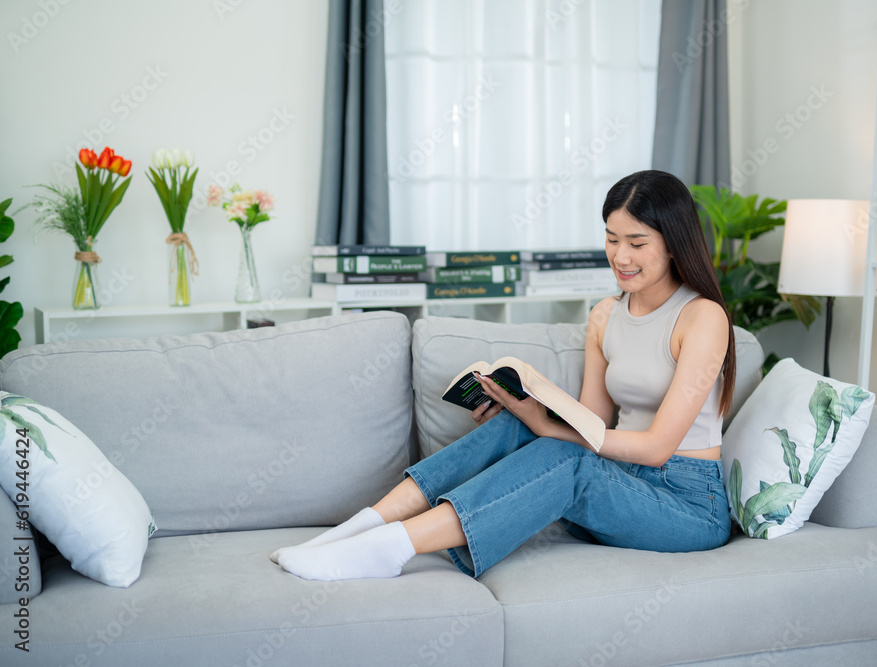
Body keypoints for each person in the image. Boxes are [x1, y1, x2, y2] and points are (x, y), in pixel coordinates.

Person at [271, 169, 737, 581]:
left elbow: (656, 449)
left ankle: (389, 549)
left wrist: (547, 427)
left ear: (674, 244)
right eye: (612, 239)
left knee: (564, 454)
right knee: (521, 424)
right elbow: (591, 419)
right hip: (615, 485)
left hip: (686, 504)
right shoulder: (605, 315)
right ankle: (362, 526)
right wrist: (529, 410)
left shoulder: (702, 318)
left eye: (637, 243)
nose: (620, 256)